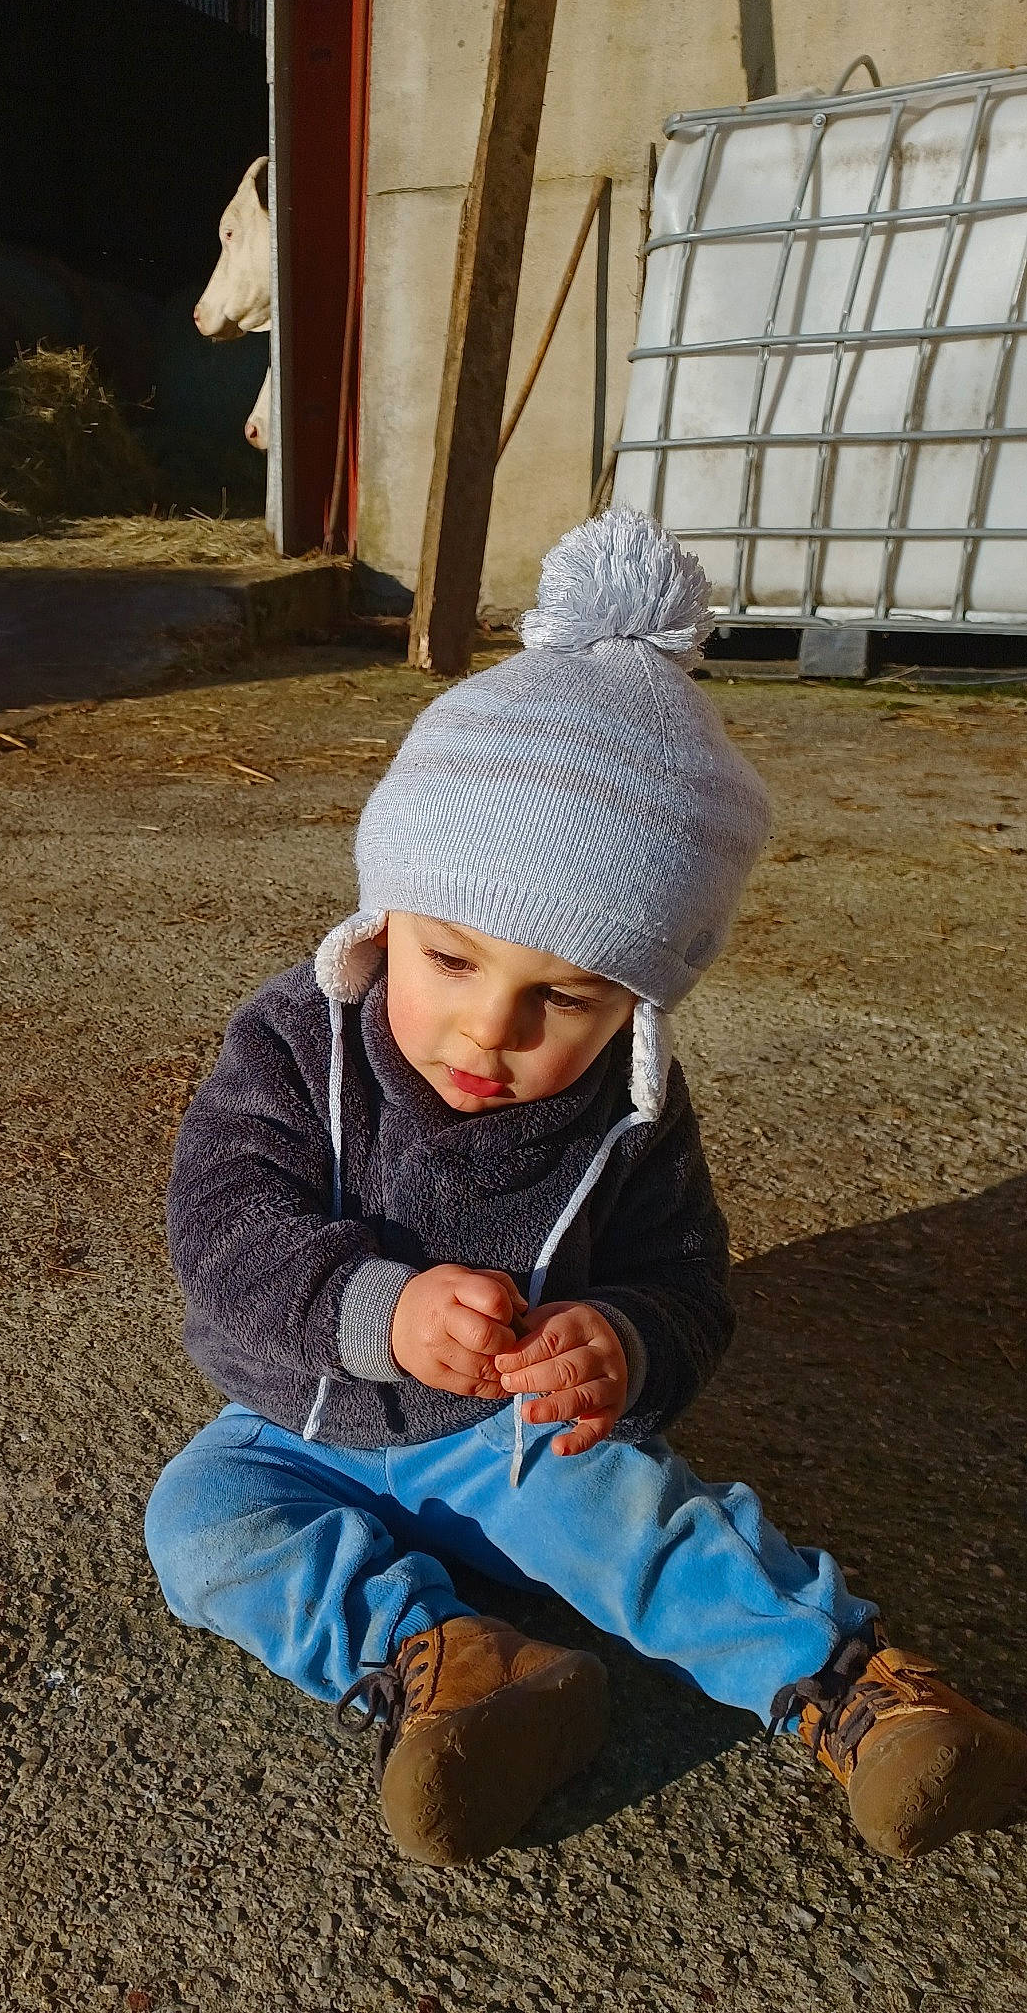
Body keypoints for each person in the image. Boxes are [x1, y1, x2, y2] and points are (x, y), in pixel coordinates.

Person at [145, 505, 1027, 1867]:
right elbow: (221, 1224)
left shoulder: (629, 1109)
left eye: (562, 997)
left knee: (633, 1519)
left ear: (638, 1006)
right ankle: (456, 1665)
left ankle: (850, 1690)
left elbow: (685, 1278)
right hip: (297, 1418)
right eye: (449, 960)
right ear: (383, 917)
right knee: (200, 1524)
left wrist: (620, 1341)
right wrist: (376, 1308)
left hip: (507, 1438)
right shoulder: (295, 1044)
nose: (488, 1030)